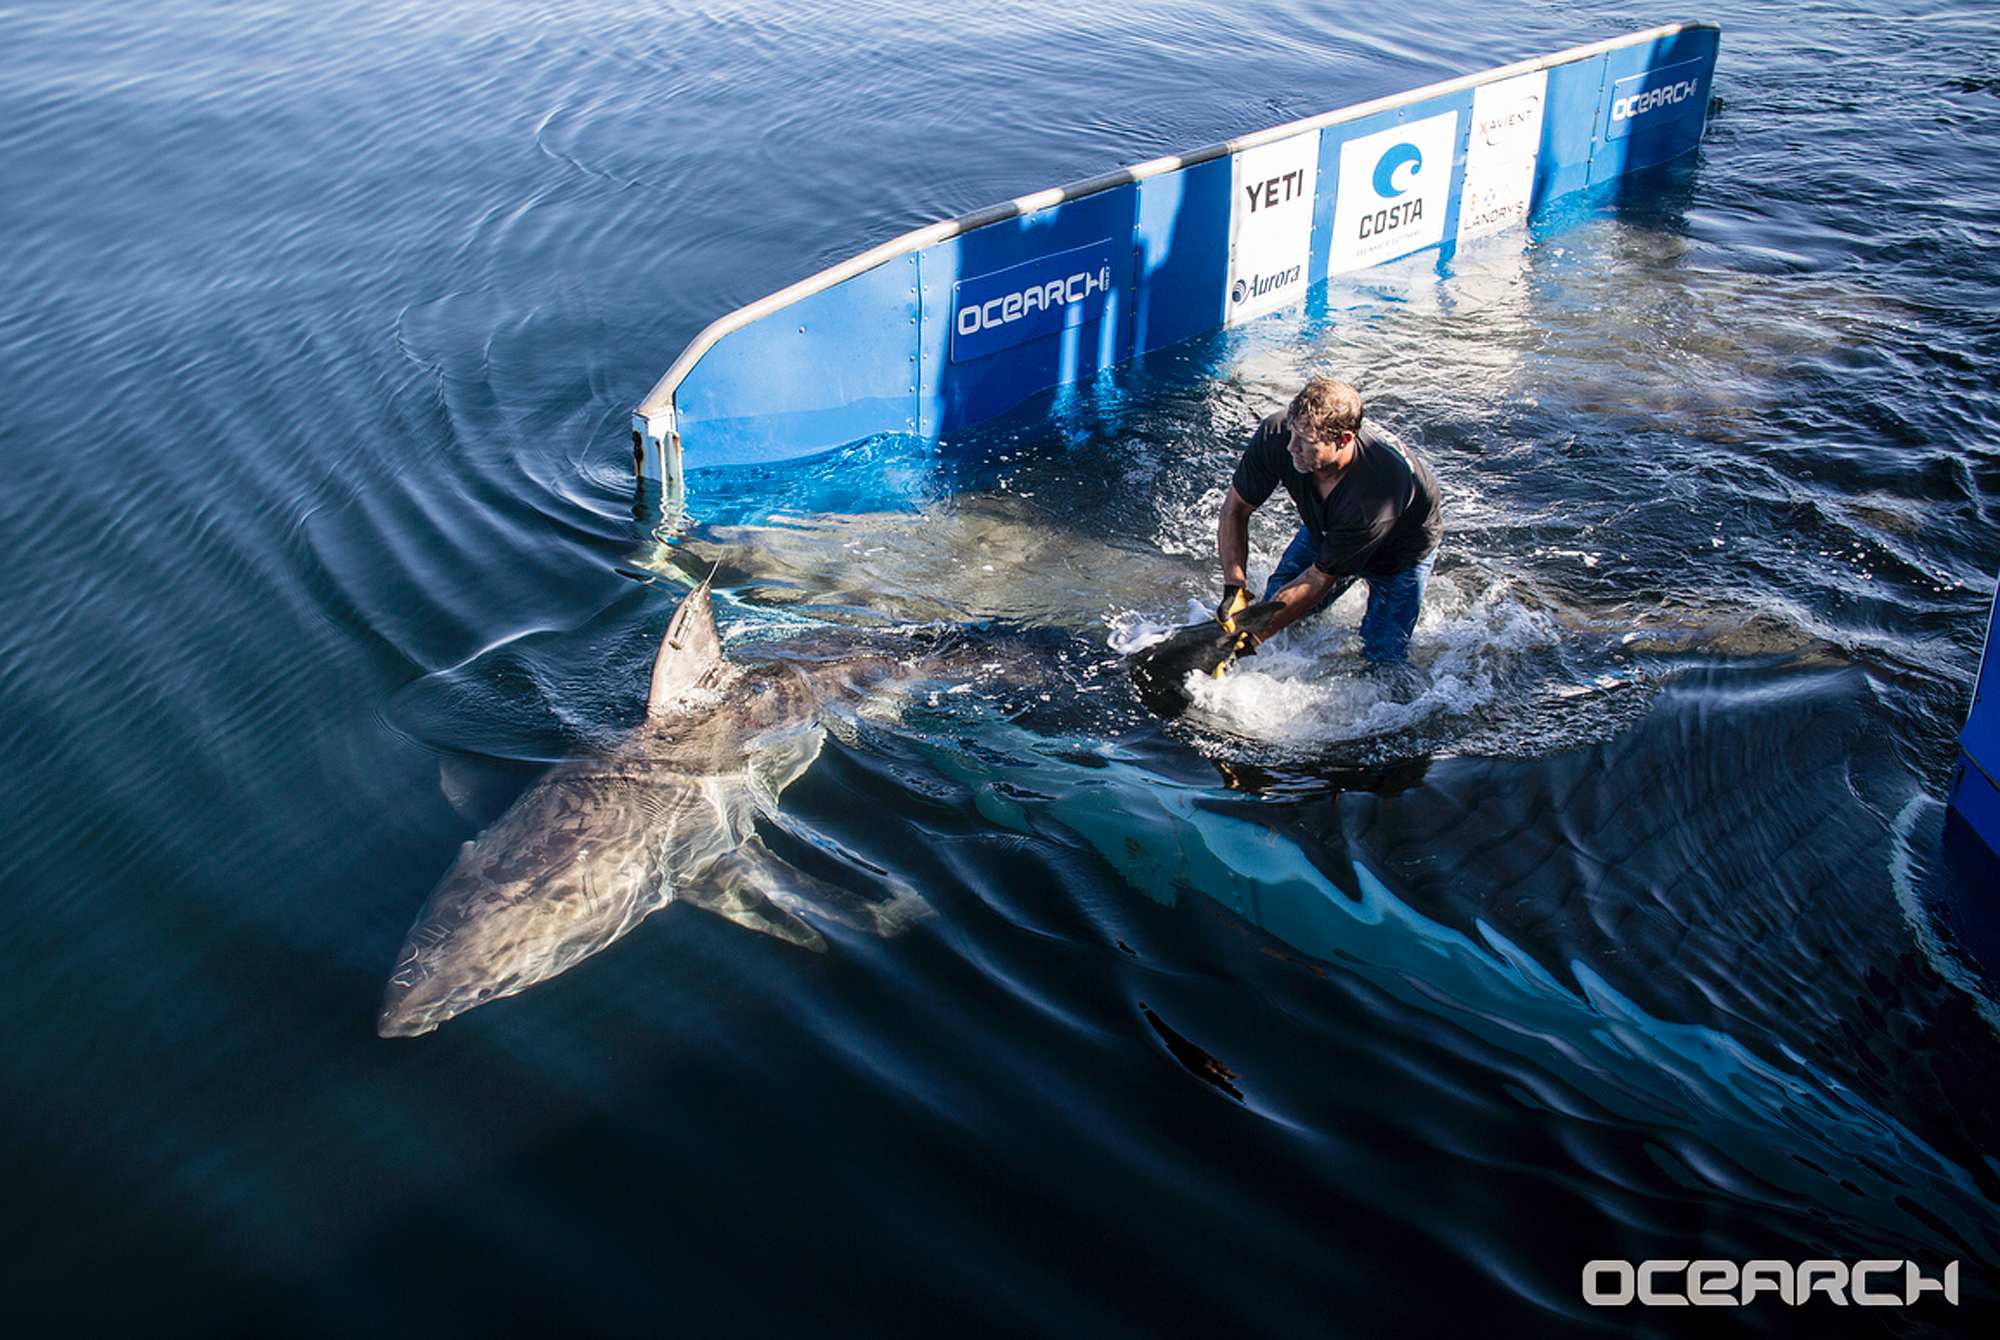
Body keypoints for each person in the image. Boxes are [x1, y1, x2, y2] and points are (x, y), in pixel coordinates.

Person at [1215, 376, 1443, 666]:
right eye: (1292, 433)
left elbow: (1319, 578)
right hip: (1332, 525)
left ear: (1344, 440)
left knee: (1382, 656)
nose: (1291, 448)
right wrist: (1234, 587)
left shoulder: (1374, 492)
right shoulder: (1279, 433)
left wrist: (1241, 645)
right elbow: (1235, 509)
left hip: (1401, 549)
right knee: (1272, 605)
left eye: (1306, 442)